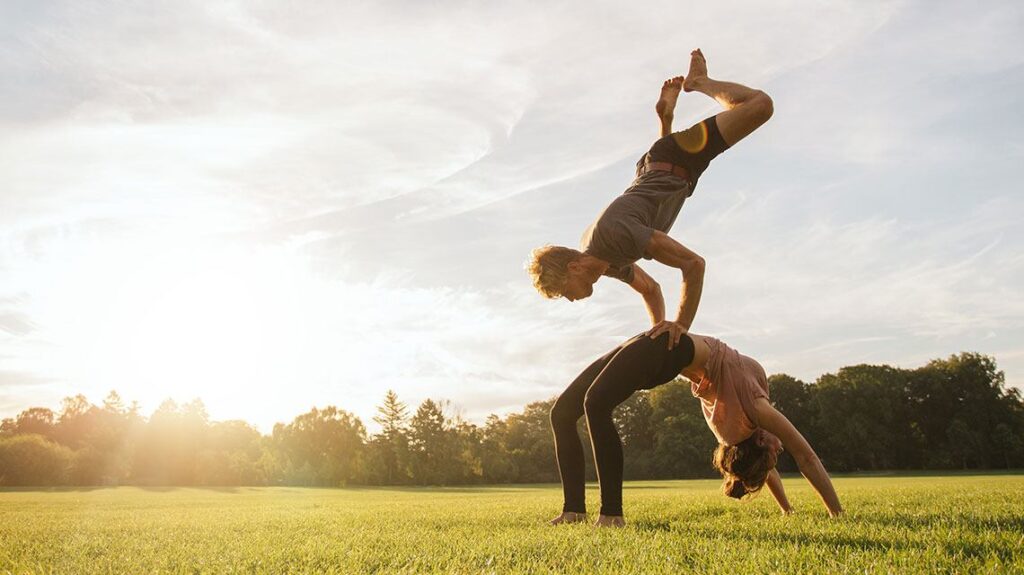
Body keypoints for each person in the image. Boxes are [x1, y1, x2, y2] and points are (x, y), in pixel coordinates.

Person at [527, 49, 774, 349]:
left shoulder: (612, 236)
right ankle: (665, 119)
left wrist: (680, 326)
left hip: (677, 158)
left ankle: (699, 81)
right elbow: (650, 289)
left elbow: (693, 265)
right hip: (661, 167)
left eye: (564, 291)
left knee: (760, 106)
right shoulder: (605, 261)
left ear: (573, 268)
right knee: (659, 176)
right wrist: (657, 332)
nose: (569, 298)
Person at [548, 331, 843, 527]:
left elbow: (807, 458)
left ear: (762, 440)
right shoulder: (736, 434)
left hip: (664, 350)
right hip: (657, 342)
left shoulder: (753, 413)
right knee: (561, 414)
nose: (780, 447)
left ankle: (611, 515)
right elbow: (768, 471)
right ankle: (573, 511)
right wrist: (787, 509)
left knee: (596, 405)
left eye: (774, 451)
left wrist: (837, 514)